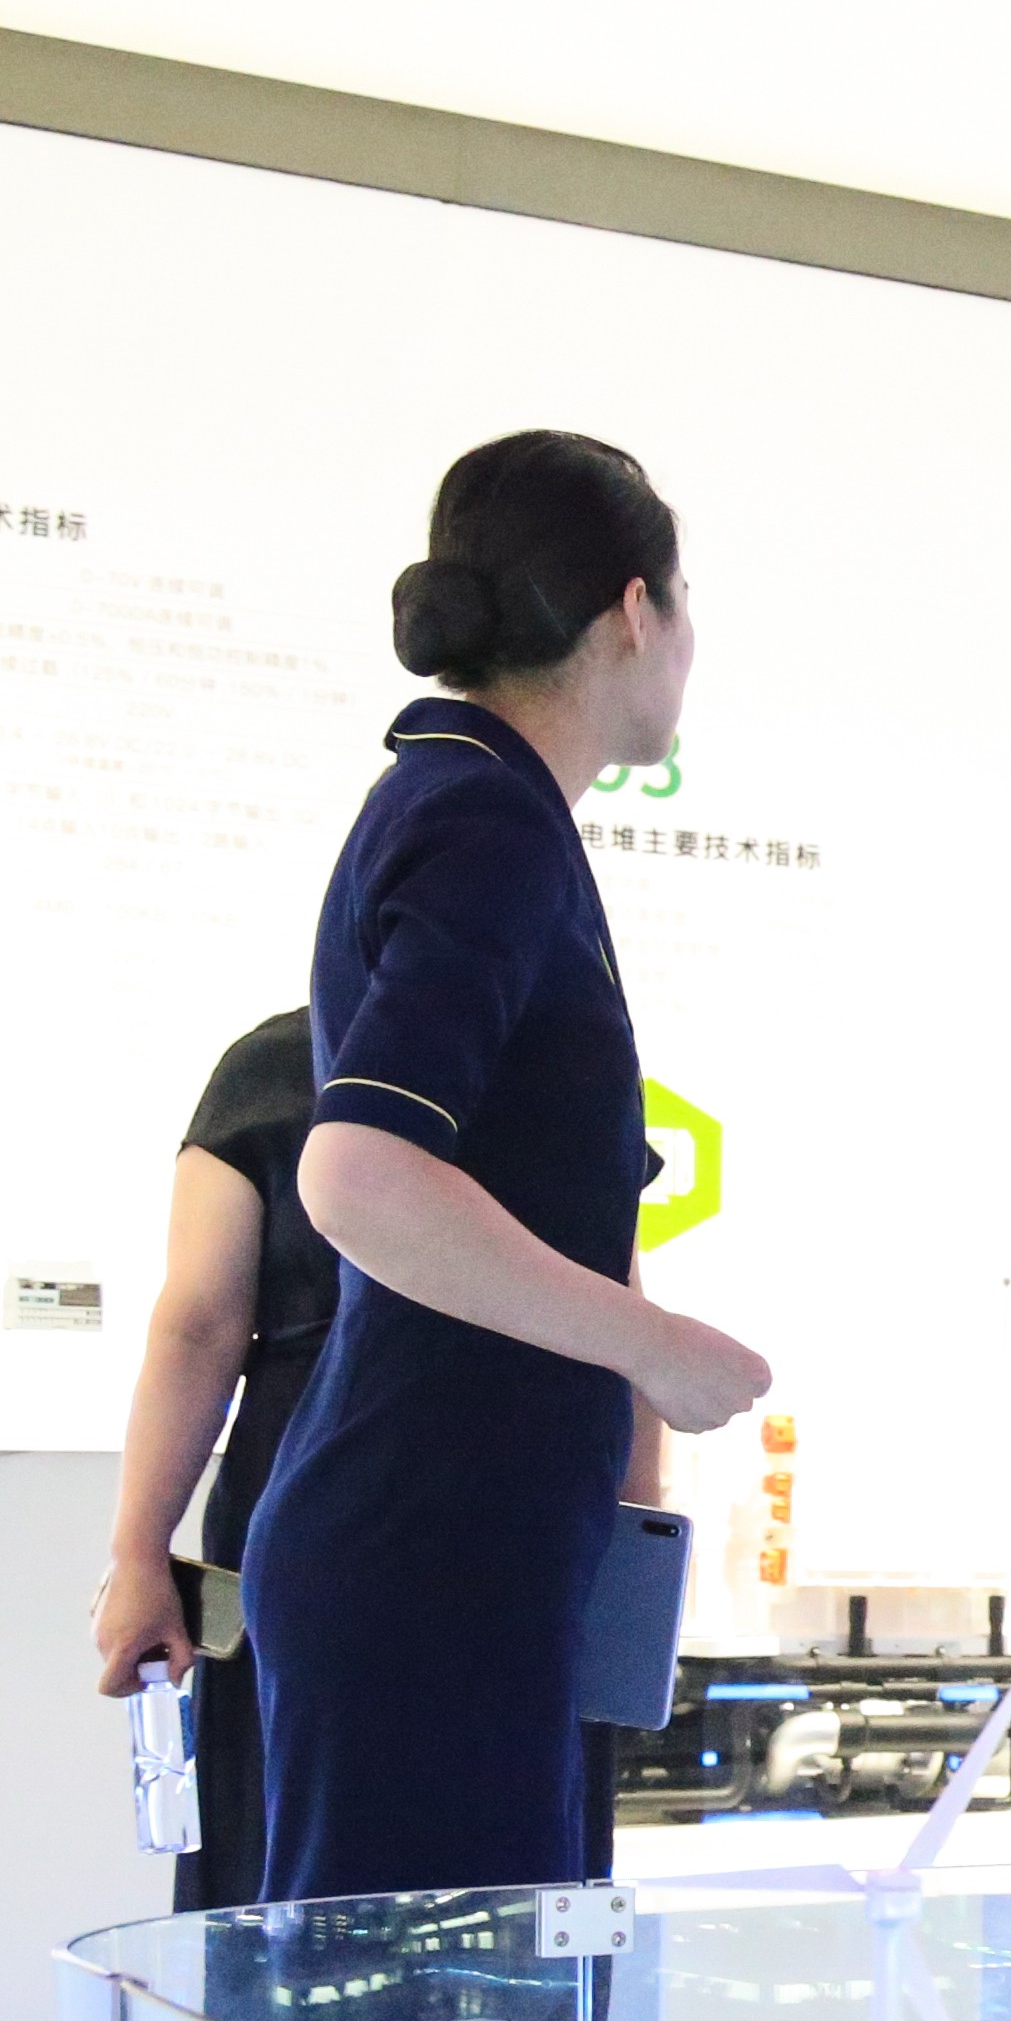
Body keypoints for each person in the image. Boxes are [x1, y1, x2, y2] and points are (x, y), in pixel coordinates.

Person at [241, 431, 772, 1923]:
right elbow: (360, 1174)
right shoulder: (482, 816)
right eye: (685, 602)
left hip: (465, 1531)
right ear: (634, 613)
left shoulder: (476, 803)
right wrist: (651, 1346)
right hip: (432, 1537)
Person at [85, 1008, 340, 1913]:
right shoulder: (282, 1063)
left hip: (520, 1518)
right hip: (318, 1509)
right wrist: (137, 1555)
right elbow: (197, 1325)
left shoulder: (560, 1056)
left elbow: (623, 1321)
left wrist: (637, 1563)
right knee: (286, 1849)